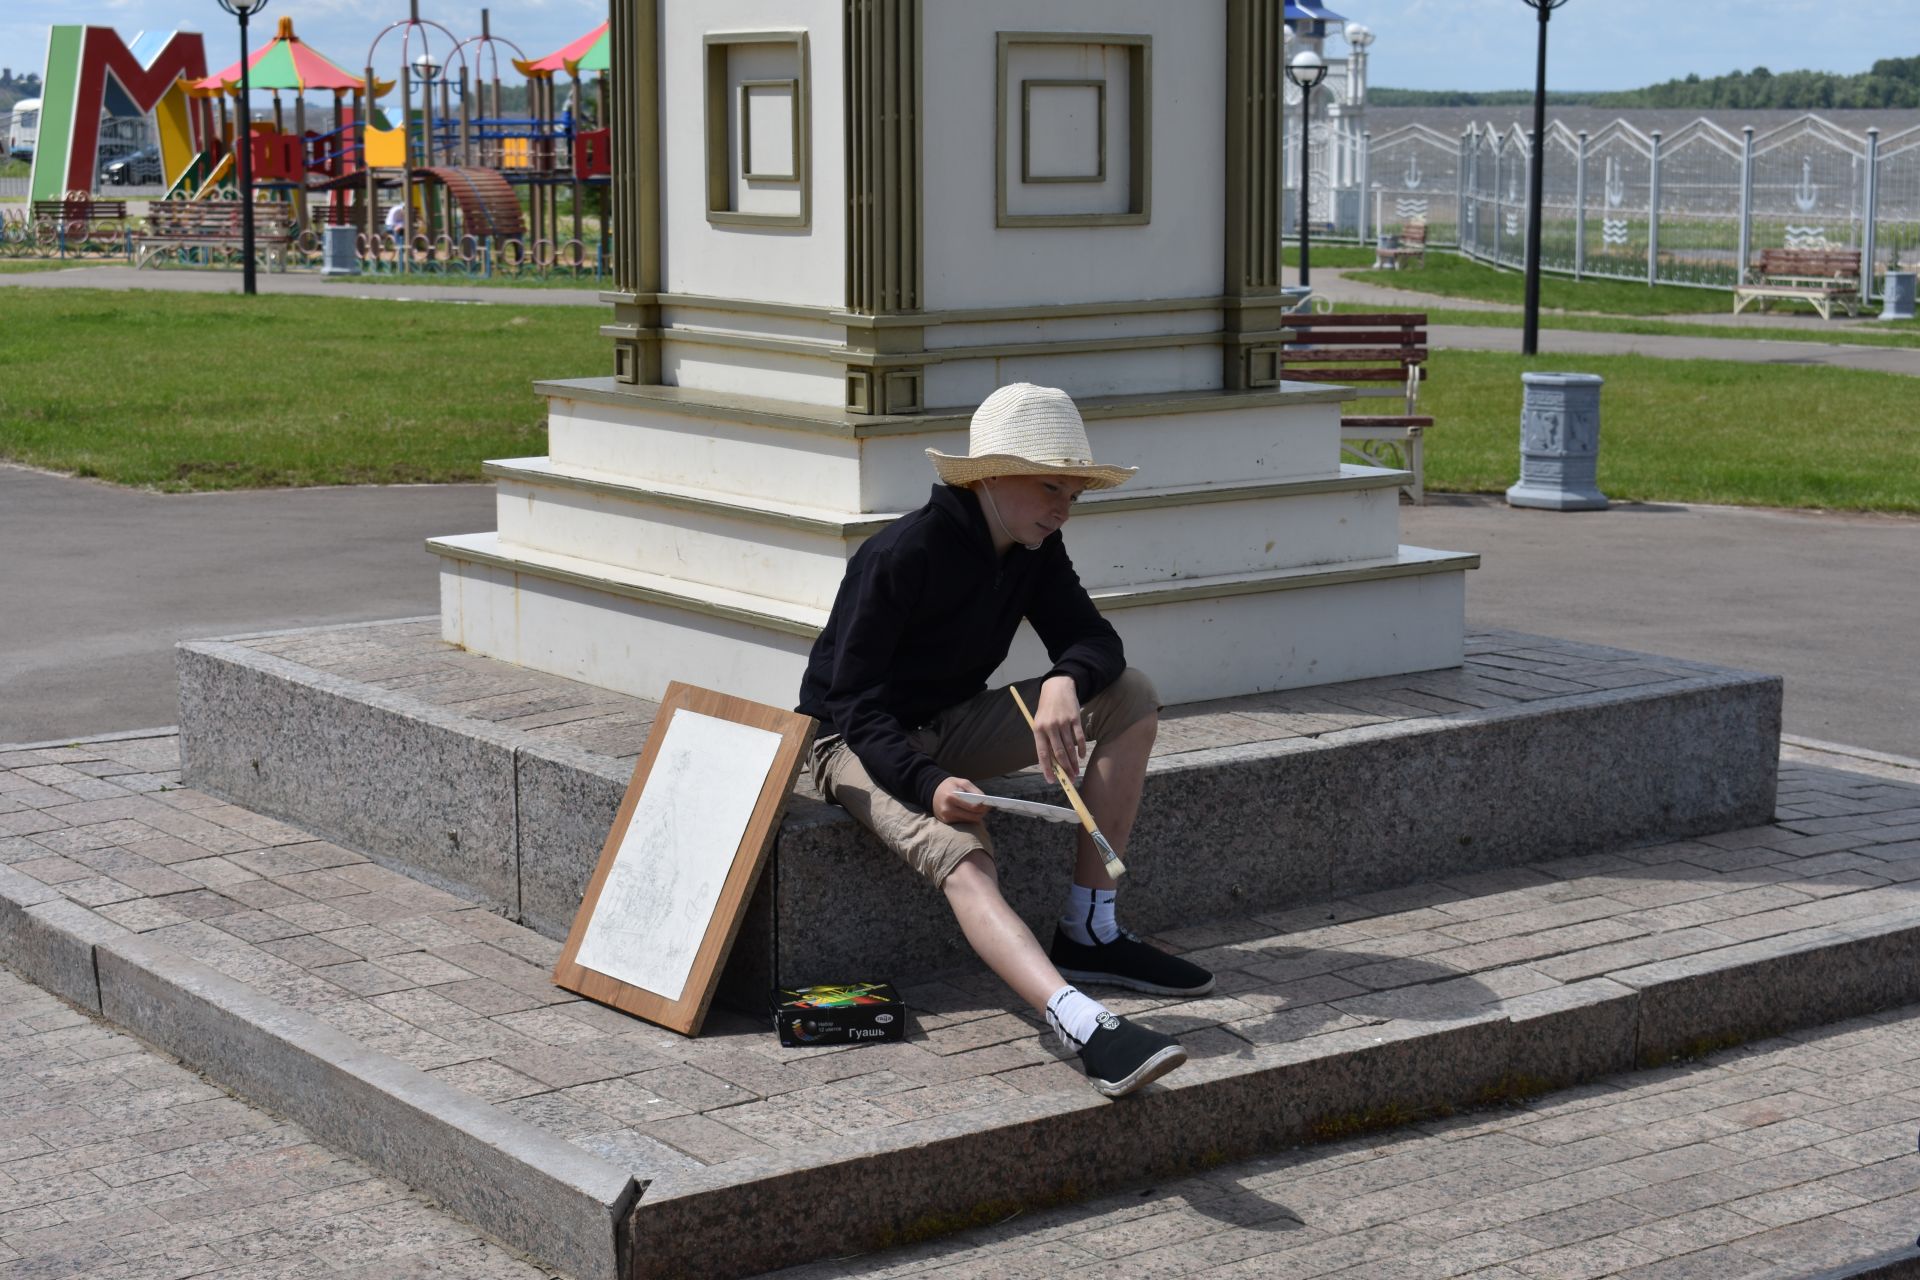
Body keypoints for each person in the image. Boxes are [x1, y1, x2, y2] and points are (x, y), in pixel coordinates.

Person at [797, 382, 1213, 1098]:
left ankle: (1091, 928)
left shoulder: (1032, 548)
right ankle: (1081, 1022)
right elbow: (854, 705)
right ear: (989, 475)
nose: (1063, 507)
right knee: (964, 851)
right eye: (1050, 485)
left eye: (1074, 493)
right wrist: (929, 786)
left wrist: (1062, 682)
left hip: (952, 723)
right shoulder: (898, 555)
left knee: (1131, 694)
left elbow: (1092, 638)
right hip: (853, 742)